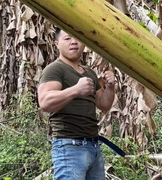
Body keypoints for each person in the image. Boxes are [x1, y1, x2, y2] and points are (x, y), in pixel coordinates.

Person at [37, 28, 115, 180]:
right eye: (67, 39)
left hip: (93, 146)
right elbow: (45, 102)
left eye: (77, 38)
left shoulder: (89, 73)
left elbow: (104, 105)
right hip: (69, 146)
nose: (73, 42)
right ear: (57, 44)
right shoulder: (54, 69)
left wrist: (110, 87)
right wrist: (76, 90)